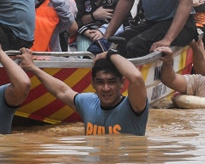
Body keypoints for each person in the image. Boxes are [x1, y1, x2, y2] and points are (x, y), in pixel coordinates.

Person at [17, 46, 149, 135]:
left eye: (112, 82)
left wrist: (109, 54)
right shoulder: (88, 103)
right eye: (100, 82)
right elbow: (62, 91)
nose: (106, 88)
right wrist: (33, 68)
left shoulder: (134, 106)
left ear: (122, 82)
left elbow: (136, 77)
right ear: (92, 84)